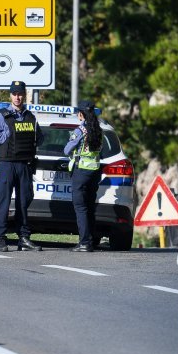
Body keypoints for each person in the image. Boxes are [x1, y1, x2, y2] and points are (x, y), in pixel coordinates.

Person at [0, 80, 44, 252]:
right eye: (14, 94)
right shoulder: (2, 116)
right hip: (7, 165)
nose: (17, 97)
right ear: (10, 95)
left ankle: (24, 238)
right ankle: (0, 238)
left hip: (25, 165)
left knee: (23, 201)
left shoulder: (30, 116)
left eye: (20, 94)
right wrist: (8, 134)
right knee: (3, 202)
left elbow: (39, 138)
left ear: (24, 95)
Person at [64, 101, 104, 252]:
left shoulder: (80, 130)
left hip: (81, 172)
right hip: (95, 172)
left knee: (80, 208)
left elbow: (67, 149)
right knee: (89, 207)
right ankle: (91, 241)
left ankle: (84, 242)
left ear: (81, 114)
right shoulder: (100, 130)